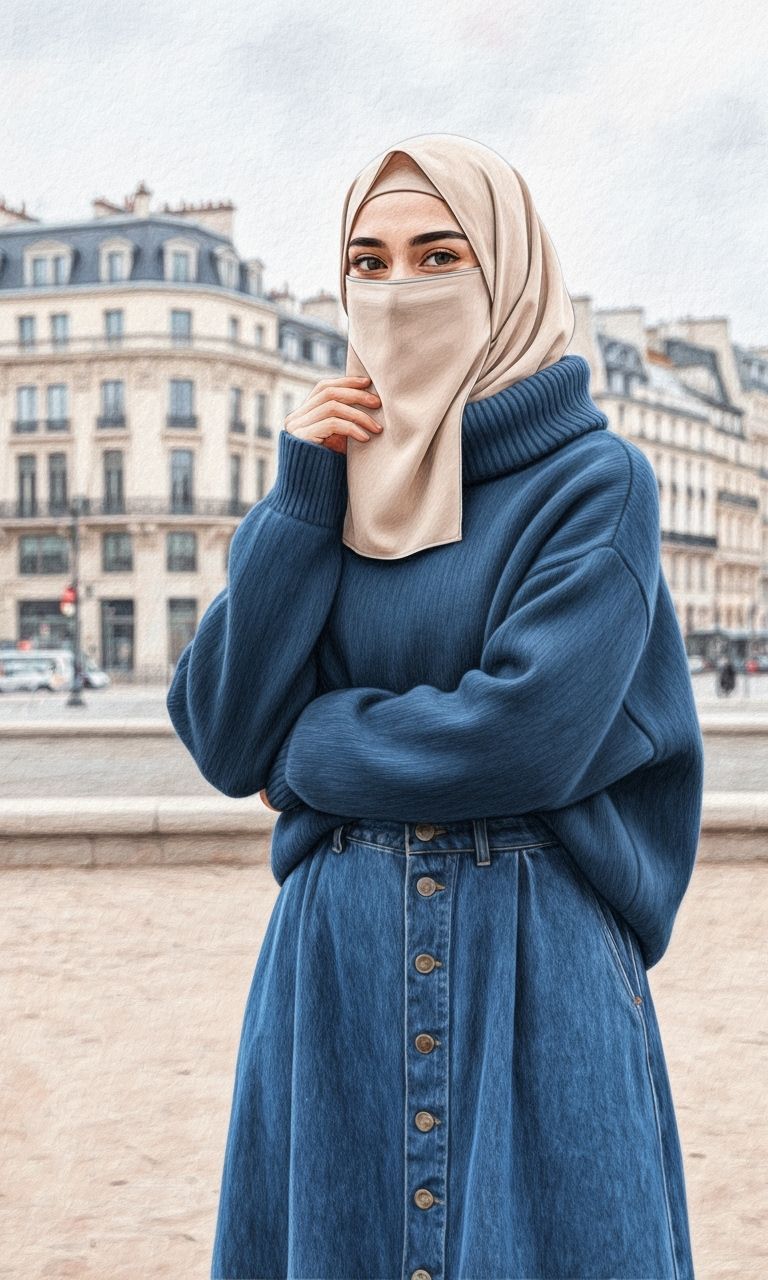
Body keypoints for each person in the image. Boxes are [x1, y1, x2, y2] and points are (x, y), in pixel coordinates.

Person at [167, 133, 704, 1280]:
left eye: (437, 253)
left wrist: (309, 742)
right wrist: (298, 501)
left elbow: (523, 732)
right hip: (335, 972)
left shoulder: (590, 482)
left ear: (505, 272)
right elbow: (220, 733)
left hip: (533, 965)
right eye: (368, 260)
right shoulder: (329, 480)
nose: (399, 290)